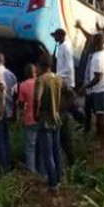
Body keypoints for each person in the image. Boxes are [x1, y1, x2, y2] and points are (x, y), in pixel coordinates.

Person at [34, 54, 63, 191]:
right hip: (56, 118)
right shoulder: (58, 78)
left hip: (45, 119)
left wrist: (35, 113)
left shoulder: (41, 80)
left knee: (47, 153)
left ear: (40, 66)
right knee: (57, 151)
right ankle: (59, 178)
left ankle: (52, 183)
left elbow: (36, 99)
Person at [50, 28, 77, 165]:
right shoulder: (60, 46)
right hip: (62, 78)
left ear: (61, 36)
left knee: (68, 103)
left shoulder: (65, 47)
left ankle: (79, 117)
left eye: (56, 36)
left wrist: (59, 77)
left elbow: (69, 67)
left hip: (65, 79)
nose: (54, 38)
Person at [81, 33, 104, 144]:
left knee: (100, 115)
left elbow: (97, 78)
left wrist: (85, 87)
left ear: (95, 43)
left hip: (100, 89)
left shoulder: (97, 58)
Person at [17, 64, 40, 174]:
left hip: (29, 119)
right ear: (36, 72)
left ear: (26, 74)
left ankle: (31, 171)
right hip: (42, 119)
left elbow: (21, 104)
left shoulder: (23, 85)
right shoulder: (41, 82)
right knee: (41, 145)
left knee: (30, 147)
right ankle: (43, 171)